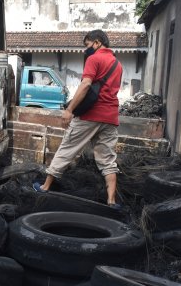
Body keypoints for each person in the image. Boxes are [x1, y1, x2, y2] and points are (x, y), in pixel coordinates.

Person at [33, 29, 123, 208]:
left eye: (88, 45)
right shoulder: (117, 64)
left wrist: (70, 109)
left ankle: (44, 186)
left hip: (90, 115)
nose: (86, 49)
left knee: (68, 148)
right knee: (108, 159)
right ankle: (111, 201)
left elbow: (86, 84)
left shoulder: (94, 58)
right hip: (111, 117)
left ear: (97, 42)